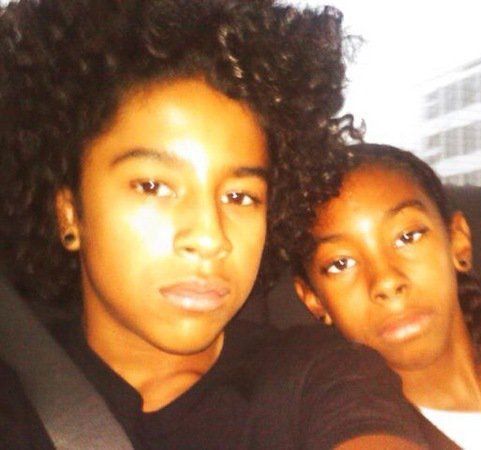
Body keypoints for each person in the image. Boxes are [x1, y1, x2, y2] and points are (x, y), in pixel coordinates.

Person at [0, 2, 428, 449]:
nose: (210, 237)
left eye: (240, 196)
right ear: (70, 211)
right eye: (153, 186)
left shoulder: (318, 376)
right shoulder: (15, 394)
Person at [287, 143, 481, 450]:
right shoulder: (355, 431)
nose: (386, 281)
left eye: (408, 236)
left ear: (457, 240)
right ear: (314, 299)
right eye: (341, 263)